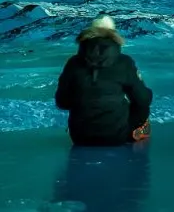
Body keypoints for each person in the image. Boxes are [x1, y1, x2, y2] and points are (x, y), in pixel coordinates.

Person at [55, 14, 153, 146]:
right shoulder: (124, 62)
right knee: (139, 102)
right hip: (117, 135)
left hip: (80, 137)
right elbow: (143, 99)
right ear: (114, 36)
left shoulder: (73, 63)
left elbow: (62, 102)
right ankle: (137, 131)